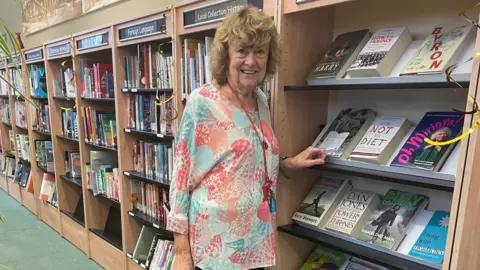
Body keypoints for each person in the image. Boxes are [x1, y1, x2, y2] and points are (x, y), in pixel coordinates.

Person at [167, 6, 326, 270]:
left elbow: (251, 163)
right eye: (242, 51)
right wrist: (181, 252)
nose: (251, 61)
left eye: (259, 52)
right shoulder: (202, 102)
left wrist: (289, 163)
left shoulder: (260, 100)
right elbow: (181, 177)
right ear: (225, 54)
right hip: (216, 245)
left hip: (256, 239)